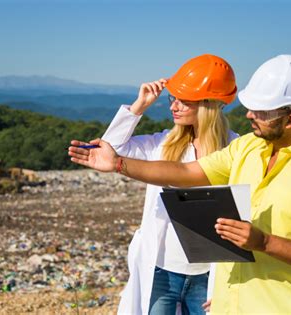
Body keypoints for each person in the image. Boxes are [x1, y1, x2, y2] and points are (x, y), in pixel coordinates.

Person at [69, 54, 291, 314]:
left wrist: (264, 242)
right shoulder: (246, 148)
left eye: (259, 111)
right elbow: (185, 173)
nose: (248, 115)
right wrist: (119, 164)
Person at [98, 54, 239, 315]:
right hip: (161, 270)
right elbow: (110, 150)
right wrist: (139, 106)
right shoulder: (162, 145)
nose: (173, 106)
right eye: (172, 98)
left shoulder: (238, 149)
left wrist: (230, 289)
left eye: (184, 101)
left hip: (210, 275)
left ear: (209, 104)